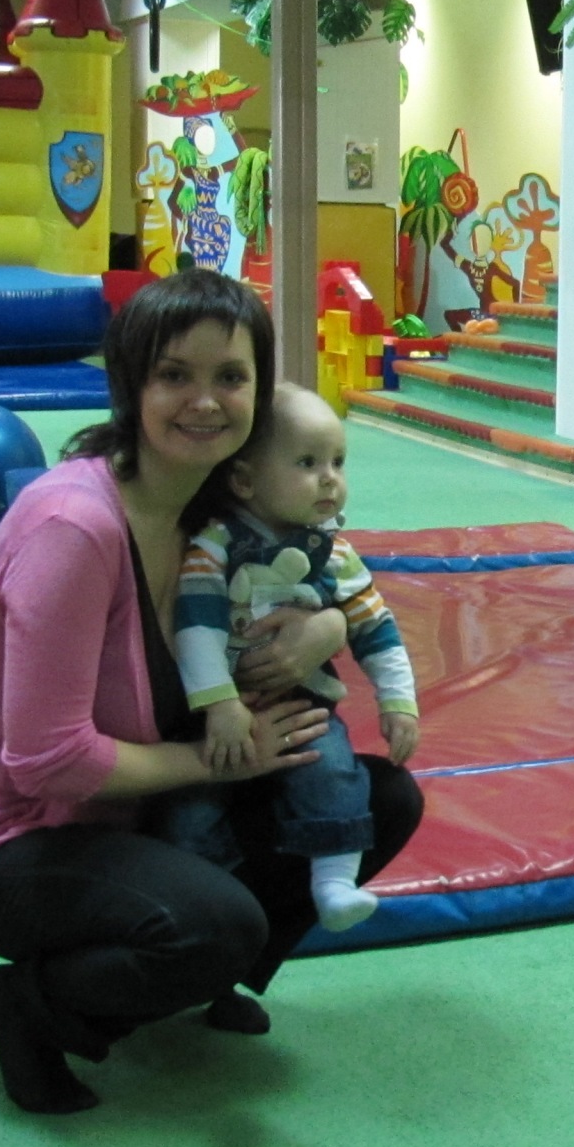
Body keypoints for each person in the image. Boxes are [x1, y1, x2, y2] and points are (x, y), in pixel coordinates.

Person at [0, 271, 423, 1114]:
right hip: (20, 839)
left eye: (230, 377)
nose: (205, 401)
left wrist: (328, 629)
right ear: (130, 385)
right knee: (216, 921)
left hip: (149, 810)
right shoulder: (74, 529)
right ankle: (37, 1006)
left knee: (379, 800)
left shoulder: (213, 506)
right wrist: (222, 763)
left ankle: (198, 977)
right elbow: (45, 761)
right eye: (173, 375)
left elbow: (335, 576)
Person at [168, 382, 419, 933]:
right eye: (307, 463)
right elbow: (197, 622)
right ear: (245, 481)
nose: (329, 478)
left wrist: (398, 701)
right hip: (218, 713)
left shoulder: (335, 554)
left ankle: (334, 881)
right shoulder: (217, 542)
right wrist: (220, 704)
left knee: (333, 771)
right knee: (194, 809)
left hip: (300, 705)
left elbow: (377, 628)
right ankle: (207, 901)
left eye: (338, 462)